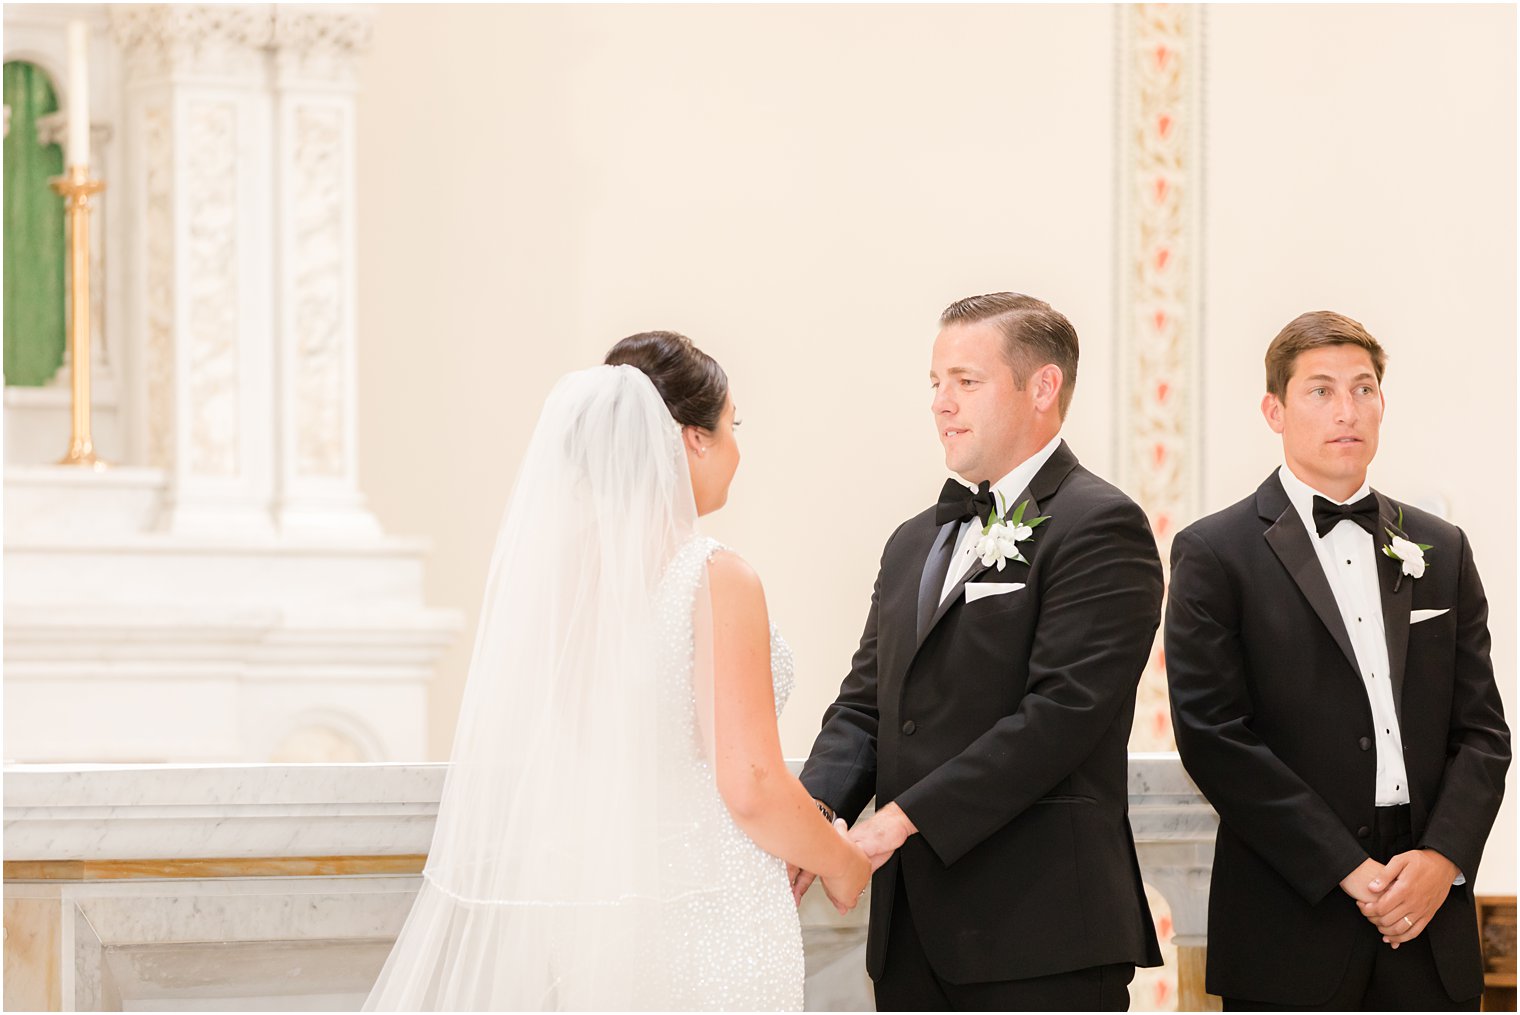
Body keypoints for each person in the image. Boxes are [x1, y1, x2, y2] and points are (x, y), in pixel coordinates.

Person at [364, 331, 870, 1011]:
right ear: (691, 438)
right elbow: (750, 782)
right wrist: (844, 861)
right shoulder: (715, 577)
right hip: (713, 918)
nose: (739, 449)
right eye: (731, 426)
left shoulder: (563, 580)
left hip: (600, 922)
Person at [794, 293, 1164, 1011]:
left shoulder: (1100, 524)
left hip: (1041, 933)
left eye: (966, 381)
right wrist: (812, 812)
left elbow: (1060, 715)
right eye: (935, 382)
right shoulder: (913, 540)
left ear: (1043, 387)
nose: (941, 403)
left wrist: (898, 819)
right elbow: (868, 701)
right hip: (909, 940)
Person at [1164, 311, 1511, 1010]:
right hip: (1289, 911)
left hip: (1427, 912)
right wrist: (1347, 867)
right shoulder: (1215, 551)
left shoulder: (1441, 547)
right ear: (1274, 409)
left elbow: (1482, 731)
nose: (1346, 410)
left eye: (1363, 388)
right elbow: (1212, 733)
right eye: (1320, 390)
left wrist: (1442, 860)